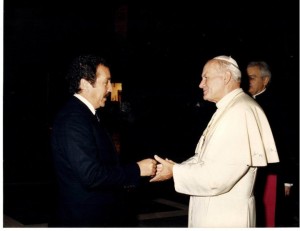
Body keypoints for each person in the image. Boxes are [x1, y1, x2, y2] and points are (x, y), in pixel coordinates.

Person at [150, 55, 280, 228]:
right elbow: (204, 158)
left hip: (225, 217)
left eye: (206, 77)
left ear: (226, 77)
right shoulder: (230, 107)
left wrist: (175, 172)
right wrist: (175, 167)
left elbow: (216, 178)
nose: (201, 84)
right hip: (218, 212)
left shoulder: (238, 112)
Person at [51, 54, 157, 227]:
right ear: (85, 84)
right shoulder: (73, 119)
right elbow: (91, 175)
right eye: (106, 82)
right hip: (83, 220)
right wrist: (137, 169)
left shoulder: (86, 115)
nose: (110, 88)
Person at [246, 61, 296, 227]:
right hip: (248, 174)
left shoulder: (278, 106)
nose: (248, 81)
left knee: (270, 221)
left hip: (271, 174)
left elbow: (287, 141)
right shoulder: (244, 102)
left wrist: (288, 179)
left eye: (252, 78)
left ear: (265, 80)